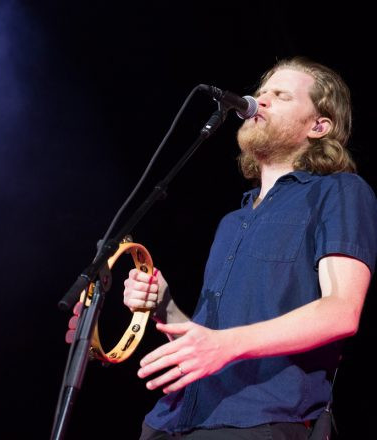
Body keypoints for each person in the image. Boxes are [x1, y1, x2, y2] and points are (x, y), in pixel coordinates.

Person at [68, 57, 377, 439]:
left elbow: (341, 312)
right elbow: (204, 341)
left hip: (259, 418)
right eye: (261, 93)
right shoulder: (232, 222)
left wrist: (226, 344)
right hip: (173, 419)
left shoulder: (340, 192)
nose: (258, 101)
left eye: (279, 96)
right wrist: (162, 303)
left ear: (318, 126)